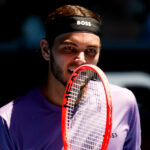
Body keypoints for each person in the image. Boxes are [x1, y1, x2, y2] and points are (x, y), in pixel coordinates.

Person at [0, 4, 141, 150]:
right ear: (46, 50)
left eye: (91, 50)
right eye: (68, 48)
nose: (81, 59)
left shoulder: (125, 103)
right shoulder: (7, 121)